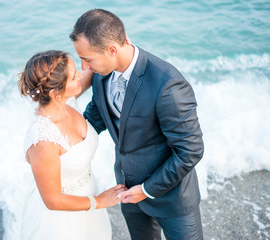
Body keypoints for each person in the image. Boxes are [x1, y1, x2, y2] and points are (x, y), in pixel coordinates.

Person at [70, 9, 205, 240]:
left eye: (87, 59)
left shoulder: (167, 85)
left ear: (111, 50)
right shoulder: (102, 73)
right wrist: (57, 138)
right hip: (127, 191)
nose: (84, 68)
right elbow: (93, 119)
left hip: (173, 199)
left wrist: (145, 190)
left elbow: (190, 151)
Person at [16, 50, 127, 240]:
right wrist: (99, 201)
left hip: (89, 198)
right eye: (74, 76)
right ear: (55, 92)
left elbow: (94, 67)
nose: (80, 75)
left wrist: (115, 46)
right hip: (59, 220)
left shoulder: (67, 100)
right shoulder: (43, 139)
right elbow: (53, 200)